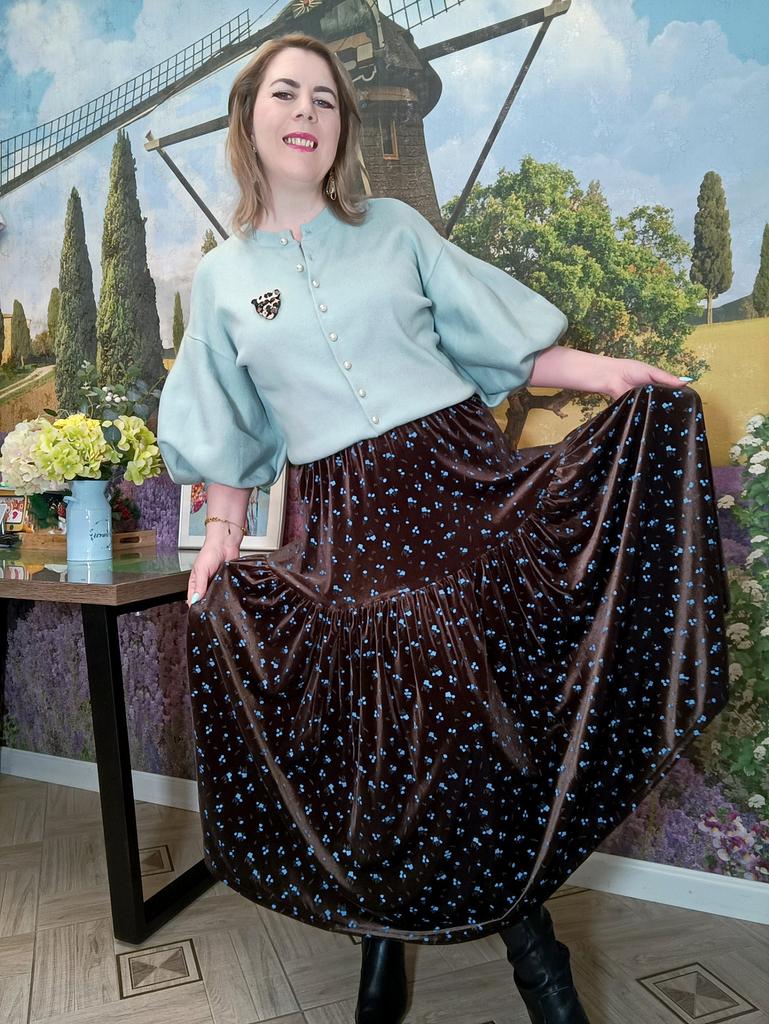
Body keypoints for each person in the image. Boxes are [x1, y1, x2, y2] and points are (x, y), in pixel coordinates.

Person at [156, 31, 729, 1024]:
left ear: (343, 126)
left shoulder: (395, 228)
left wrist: (611, 375)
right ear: (249, 116)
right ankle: (386, 945)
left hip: (461, 492)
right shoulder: (226, 279)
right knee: (377, 738)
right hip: (343, 527)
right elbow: (228, 421)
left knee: (476, 729)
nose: (306, 112)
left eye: (325, 98)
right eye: (285, 93)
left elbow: (495, 338)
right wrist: (218, 538)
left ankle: (534, 959)